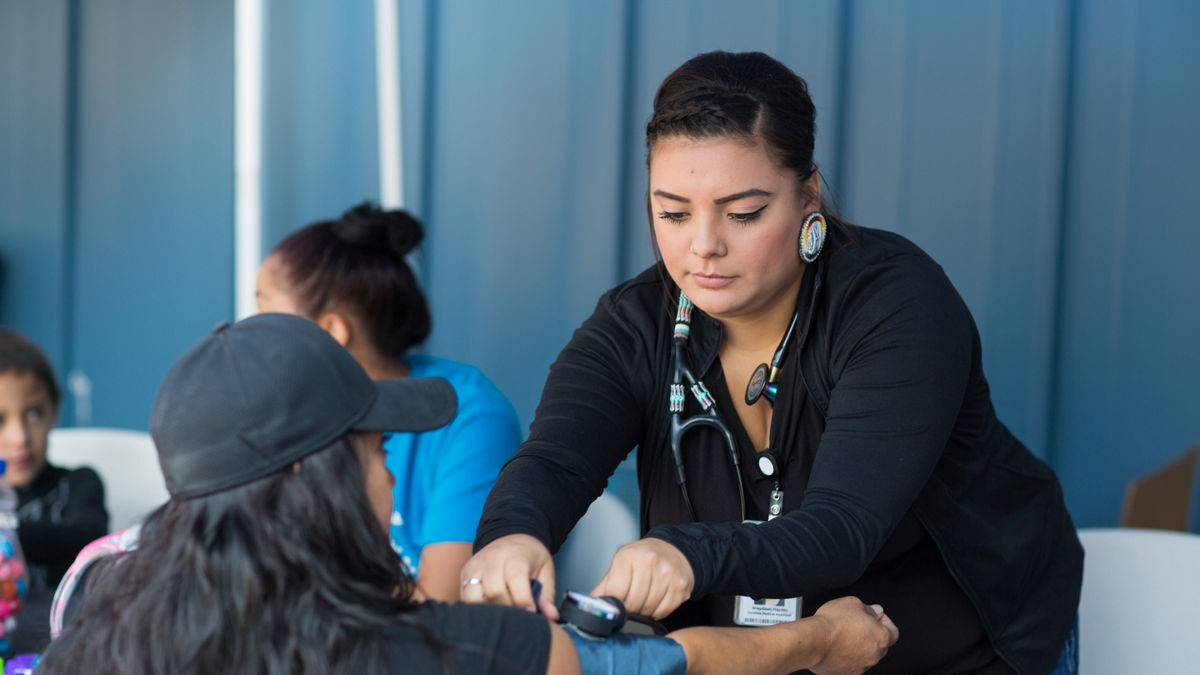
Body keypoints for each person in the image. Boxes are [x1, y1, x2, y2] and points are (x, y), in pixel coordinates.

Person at [462, 51, 1082, 674]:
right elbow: (554, 460)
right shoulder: (634, 323)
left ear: (808, 192)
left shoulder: (898, 303)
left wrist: (686, 554)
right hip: (769, 657)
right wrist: (513, 536)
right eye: (672, 212)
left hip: (962, 649)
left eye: (743, 213)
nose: (703, 245)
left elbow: (841, 528)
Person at [36, 314, 897, 674]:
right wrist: (820, 635)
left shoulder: (95, 616)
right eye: (375, 452)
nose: (386, 476)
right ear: (307, 478)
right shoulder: (439, 649)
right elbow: (669, 662)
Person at [255, 202, 521, 602]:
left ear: (332, 331)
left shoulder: (471, 417)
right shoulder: (290, 407)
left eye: (264, 312)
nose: (252, 335)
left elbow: (440, 602)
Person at [0, 328, 108, 653]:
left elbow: (87, 537)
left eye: (33, 414)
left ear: (54, 411)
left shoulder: (79, 483)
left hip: (68, 651)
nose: (20, 437)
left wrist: (10, 535)